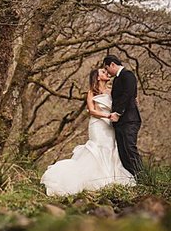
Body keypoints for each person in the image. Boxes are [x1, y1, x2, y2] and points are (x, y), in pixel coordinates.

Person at [41, 67, 135, 196]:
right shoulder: (92, 92)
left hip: (110, 125)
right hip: (98, 125)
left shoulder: (111, 91)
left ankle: (110, 179)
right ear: (97, 77)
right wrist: (107, 116)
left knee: (111, 148)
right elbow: (91, 110)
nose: (106, 73)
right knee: (97, 149)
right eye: (103, 72)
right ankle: (95, 181)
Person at [104, 55, 145, 180]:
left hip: (129, 120)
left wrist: (117, 113)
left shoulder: (128, 75)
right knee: (122, 152)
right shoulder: (117, 80)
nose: (107, 72)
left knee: (130, 148)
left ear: (112, 64)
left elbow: (128, 95)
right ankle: (133, 179)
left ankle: (143, 177)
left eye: (107, 68)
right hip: (120, 123)